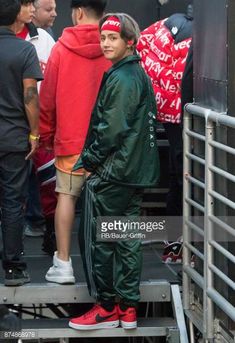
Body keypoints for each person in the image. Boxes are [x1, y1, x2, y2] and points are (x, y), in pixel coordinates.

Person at [69, 13, 160, 331]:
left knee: (102, 240)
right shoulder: (135, 73)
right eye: (103, 37)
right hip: (132, 172)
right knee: (126, 239)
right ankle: (128, 309)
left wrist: (90, 162)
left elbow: (111, 130)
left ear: (129, 42)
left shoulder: (122, 78)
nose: (106, 43)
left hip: (114, 173)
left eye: (113, 38)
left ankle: (107, 307)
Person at [39, 0, 111, 284]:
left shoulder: (60, 48)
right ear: (103, 12)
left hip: (70, 141)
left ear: (78, 12)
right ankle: (106, 266)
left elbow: (47, 99)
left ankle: (64, 264)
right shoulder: (114, 47)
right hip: (106, 145)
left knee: (66, 198)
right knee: (106, 204)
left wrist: (46, 136)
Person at [136, 6, 193, 263]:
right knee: (187, 178)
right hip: (187, 115)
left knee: (176, 174)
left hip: (171, 115)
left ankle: (174, 245)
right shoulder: (201, 35)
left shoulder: (160, 29)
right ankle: (183, 246)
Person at [0, 0, 42, 286]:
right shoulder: (25, 49)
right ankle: (13, 266)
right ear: (17, 15)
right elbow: (30, 95)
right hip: (14, 137)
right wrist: (35, 133)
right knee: (12, 202)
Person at [16, 0, 57, 255]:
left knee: (46, 182)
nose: (31, 9)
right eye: (26, 4)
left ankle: (42, 227)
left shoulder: (42, 38)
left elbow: (53, 81)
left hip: (41, 122)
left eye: (33, 4)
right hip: (10, 122)